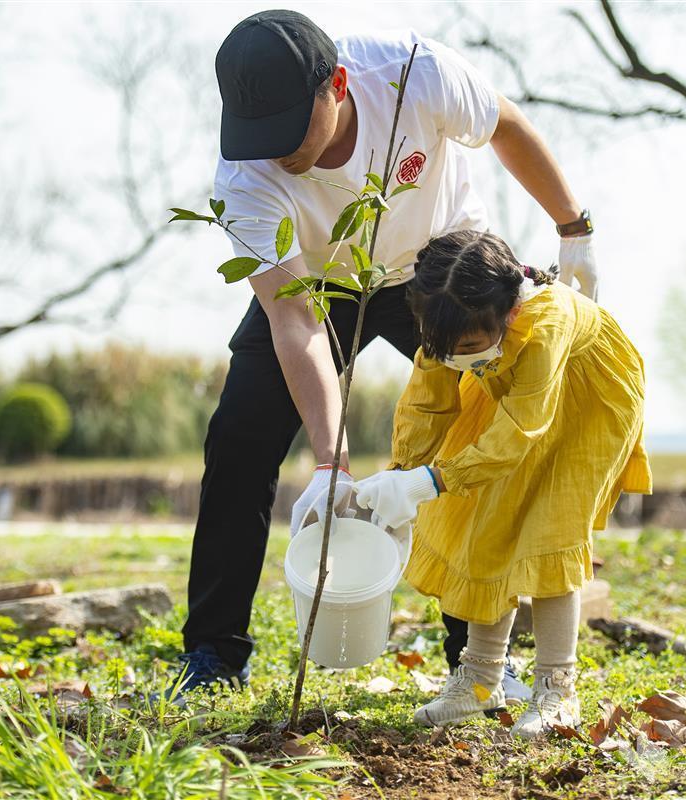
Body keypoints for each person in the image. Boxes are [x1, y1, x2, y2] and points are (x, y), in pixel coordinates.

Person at [169, 9, 601, 705]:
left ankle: (479, 662)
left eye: (288, 129)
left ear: (337, 84)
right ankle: (214, 653)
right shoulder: (243, 181)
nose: (277, 153)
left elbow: (508, 127)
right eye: (259, 136)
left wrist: (572, 230)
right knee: (239, 439)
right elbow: (293, 317)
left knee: (481, 438)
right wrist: (331, 462)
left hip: (442, 268)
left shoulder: (413, 73)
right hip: (319, 282)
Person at [353, 229, 651, 735]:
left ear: (509, 312)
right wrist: (403, 473)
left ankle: (558, 691)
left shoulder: (546, 322)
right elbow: (428, 401)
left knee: (549, 531)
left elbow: (519, 430)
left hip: (586, 403)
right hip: (508, 392)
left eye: (467, 346)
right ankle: (481, 682)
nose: (453, 355)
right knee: (484, 520)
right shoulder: (452, 330)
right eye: (442, 346)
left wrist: (432, 481)